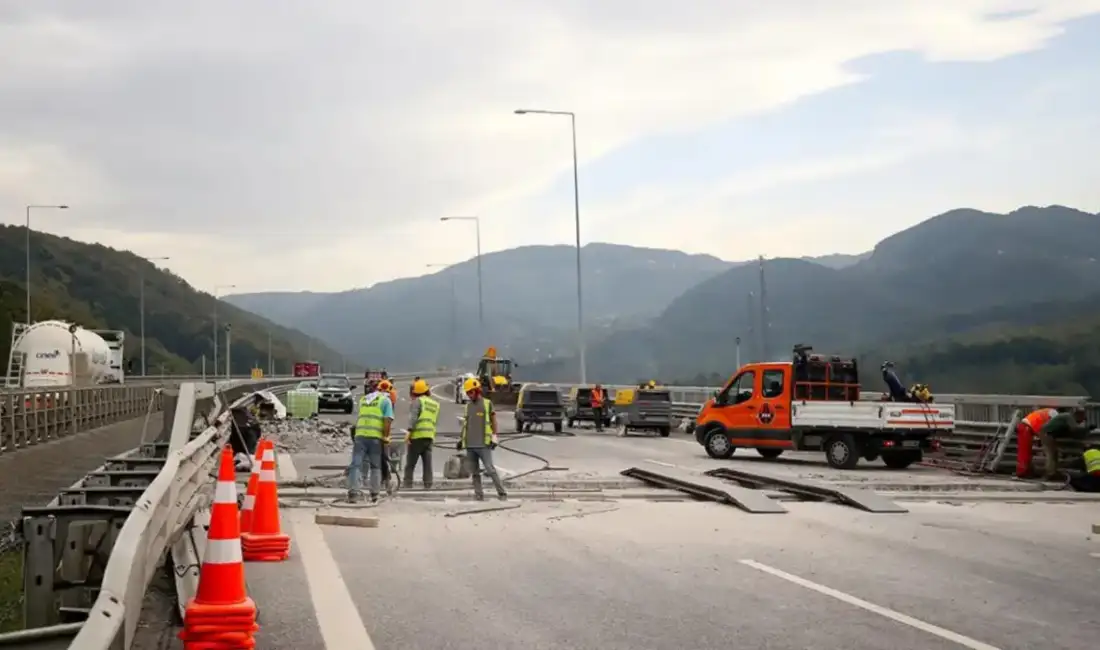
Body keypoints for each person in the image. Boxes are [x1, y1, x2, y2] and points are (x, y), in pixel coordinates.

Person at [456, 377, 508, 501]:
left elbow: (493, 421)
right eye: (468, 393)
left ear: (477, 390)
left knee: (490, 469)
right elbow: (466, 425)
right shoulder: (468, 407)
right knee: (474, 472)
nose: (469, 395)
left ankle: (502, 493)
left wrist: (494, 436)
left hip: (483, 444)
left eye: (471, 392)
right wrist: (461, 440)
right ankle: (478, 494)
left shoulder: (487, 404)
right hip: (470, 445)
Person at [347, 379, 394, 503]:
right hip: (375, 438)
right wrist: (386, 436)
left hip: (360, 436)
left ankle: (353, 493)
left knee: (356, 464)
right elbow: (387, 420)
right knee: (376, 466)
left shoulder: (363, 400)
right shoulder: (385, 401)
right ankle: (374, 494)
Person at [1016, 406, 1091, 478]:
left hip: (1038, 430)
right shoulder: (1067, 416)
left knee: (1052, 453)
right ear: (1078, 415)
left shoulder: (1057, 414)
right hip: (1039, 431)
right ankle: (1049, 473)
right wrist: (1087, 429)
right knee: (1050, 453)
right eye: (1082, 419)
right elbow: (1074, 429)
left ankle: (1048, 472)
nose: (1081, 422)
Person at [404, 379, 439, 488]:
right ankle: (428, 484)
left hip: (417, 436)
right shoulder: (435, 404)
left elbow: (413, 418)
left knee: (410, 464)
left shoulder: (418, 401)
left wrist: (409, 432)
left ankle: (407, 484)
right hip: (429, 436)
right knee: (427, 464)